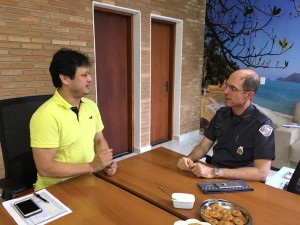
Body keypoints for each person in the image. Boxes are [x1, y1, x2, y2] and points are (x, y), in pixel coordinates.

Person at [30, 48, 117, 191]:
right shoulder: (45, 116)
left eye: (88, 74)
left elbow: (99, 139)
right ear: (65, 79)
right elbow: (45, 168)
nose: (90, 79)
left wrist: (105, 161)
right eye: (84, 75)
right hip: (57, 189)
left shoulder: (91, 106)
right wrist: (92, 166)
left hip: (88, 179)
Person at [177, 69, 275, 182]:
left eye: (233, 89)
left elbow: (261, 173)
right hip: (214, 175)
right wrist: (188, 159)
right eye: (226, 85)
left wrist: (215, 172)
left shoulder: (262, 124)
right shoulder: (221, 114)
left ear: (249, 95)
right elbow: (203, 147)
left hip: (241, 181)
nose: (225, 91)